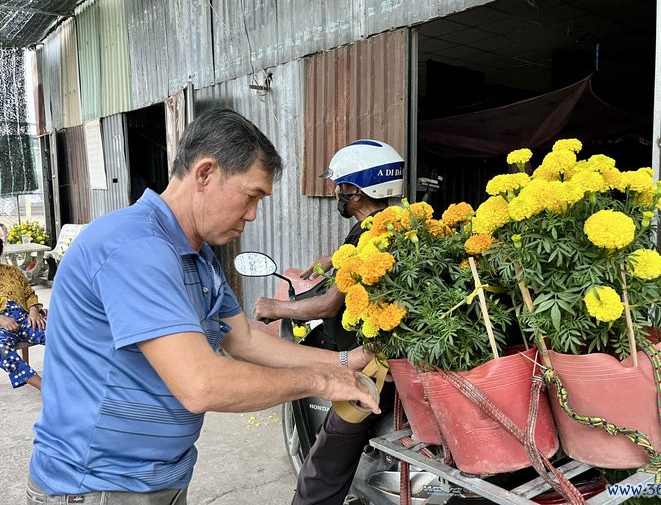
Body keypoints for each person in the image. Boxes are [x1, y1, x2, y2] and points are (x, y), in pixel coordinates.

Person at [27, 109, 380, 504]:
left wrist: (347, 363)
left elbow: (244, 340)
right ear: (205, 173)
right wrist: (323, 383)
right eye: (251, 196)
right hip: (97, 486)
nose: (252, 215)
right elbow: (201, 384)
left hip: (159, 478)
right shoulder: (135, 248)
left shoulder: (198, 255)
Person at [253, 139, 405, 505]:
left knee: (325, 461)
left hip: (371, 365)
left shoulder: (370, 236)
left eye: (340, 186)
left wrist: (276, 308)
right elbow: (358, 260)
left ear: (355, 191)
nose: (337, 193)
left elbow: (327, 305)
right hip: (391, 356)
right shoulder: (390, 226)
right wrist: (332, 259)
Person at [0, 237, 46, 390]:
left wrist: (34, 311)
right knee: (2, 349)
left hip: (25, 318)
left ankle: (79, 376)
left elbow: (29, 294)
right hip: (1, 326)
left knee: (55, 333)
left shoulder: (11, 271)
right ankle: (46, 389)